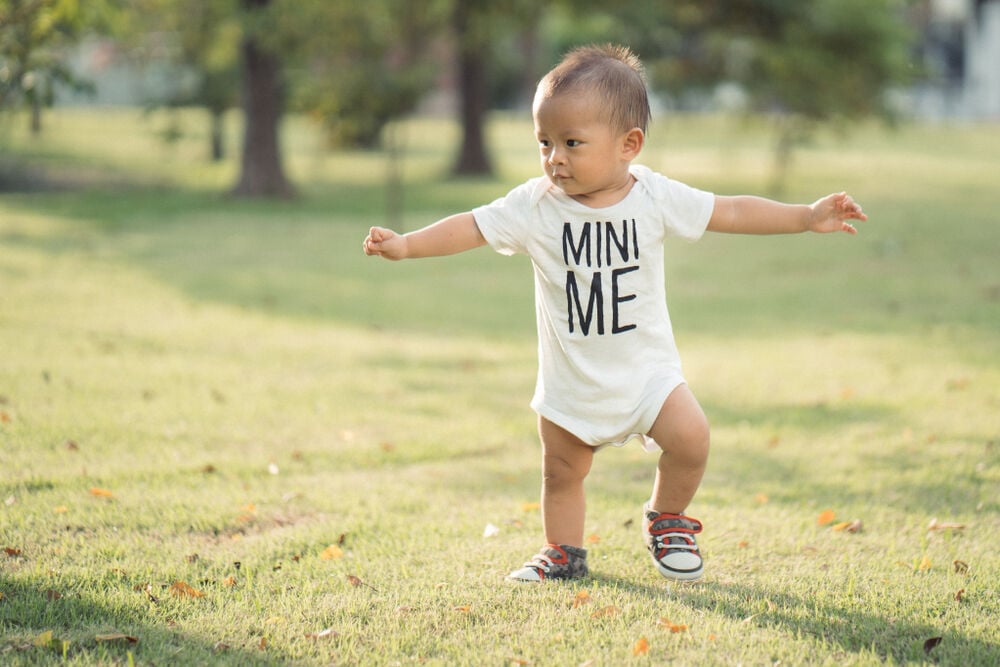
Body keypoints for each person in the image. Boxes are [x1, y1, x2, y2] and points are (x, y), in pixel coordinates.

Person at [363, 44, 866, 583]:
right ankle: (562, 552)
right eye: (544, 142)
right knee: (561, 471)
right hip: (571, 380)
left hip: (647, 372)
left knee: (692, 438)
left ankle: (667, 518)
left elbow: (732, 209)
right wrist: (408, 245)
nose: (555, 157)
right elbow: (471, 226)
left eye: (571, 143)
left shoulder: (653, 196)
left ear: (629, 145)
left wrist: (805, 217)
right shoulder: (534, 207)